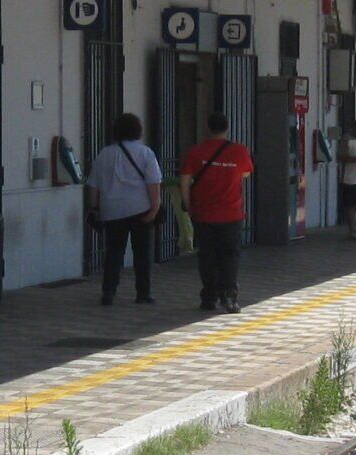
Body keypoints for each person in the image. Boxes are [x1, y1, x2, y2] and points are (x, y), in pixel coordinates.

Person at [180, 112, 254, 312]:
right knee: (230, 255)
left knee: (207, 255)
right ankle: (229, 296)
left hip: (203, 213)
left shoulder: (195, 152)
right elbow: (246, 173)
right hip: (231, 213)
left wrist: (188, 205)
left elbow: (185, 181)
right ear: (227, 128)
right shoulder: (240, 151)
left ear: (208, 127)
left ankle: (209, 297)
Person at [87, 111, 164, 304]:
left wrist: (94, 208)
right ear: (139, 131)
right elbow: (153, 183)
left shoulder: (104, 154)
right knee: (142, 253)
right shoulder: (146, 153)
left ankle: (109, 291)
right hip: (140, 209)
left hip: (112, 210)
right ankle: (143, 292)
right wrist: (155, 207)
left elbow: (93, 185)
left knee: (113, 252)